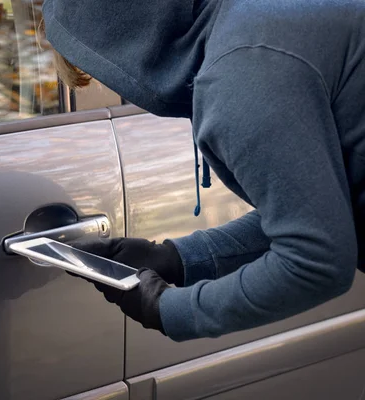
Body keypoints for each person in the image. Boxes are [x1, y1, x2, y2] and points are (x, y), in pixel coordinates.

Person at [42, 0, 365, 342]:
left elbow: (316, 261)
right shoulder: (254, 25)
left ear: (129, 43)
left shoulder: (242, 73)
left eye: (107, 72)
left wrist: (168, 309)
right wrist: (177, 258)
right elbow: (315, 210)